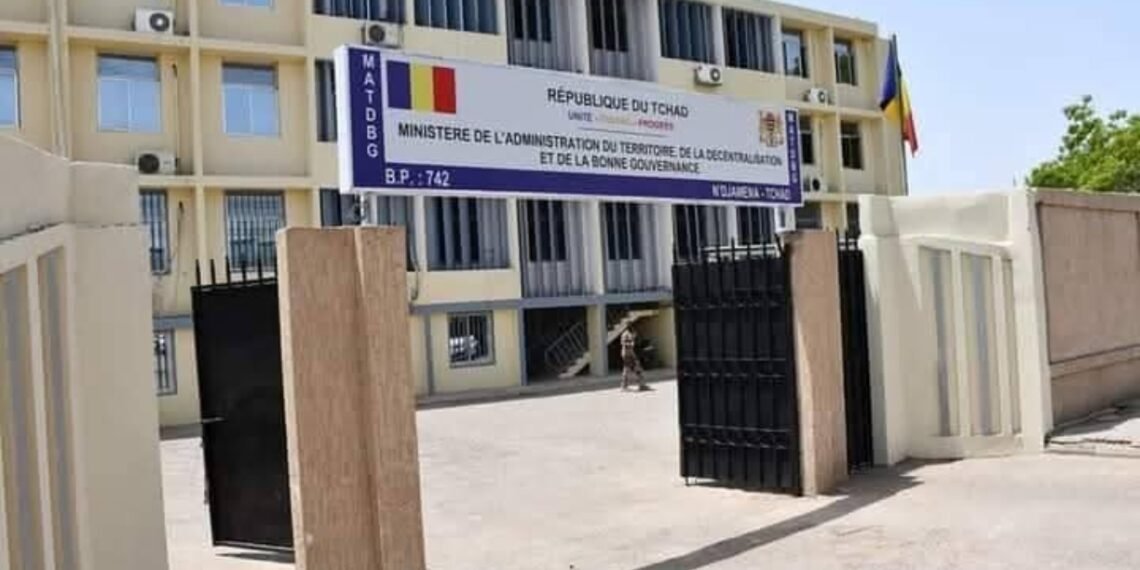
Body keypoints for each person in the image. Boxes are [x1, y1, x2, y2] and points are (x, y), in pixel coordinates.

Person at [620, 327, 648, 392]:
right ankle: (624, 386)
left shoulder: (631, 333)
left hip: (631, 354)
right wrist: (630, 343)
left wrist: (633, 338)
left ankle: (641, 385)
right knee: (628, 369)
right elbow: (623, 343)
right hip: (627, 354)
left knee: (636, 368)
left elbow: (634, 342)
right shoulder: (625, 334)